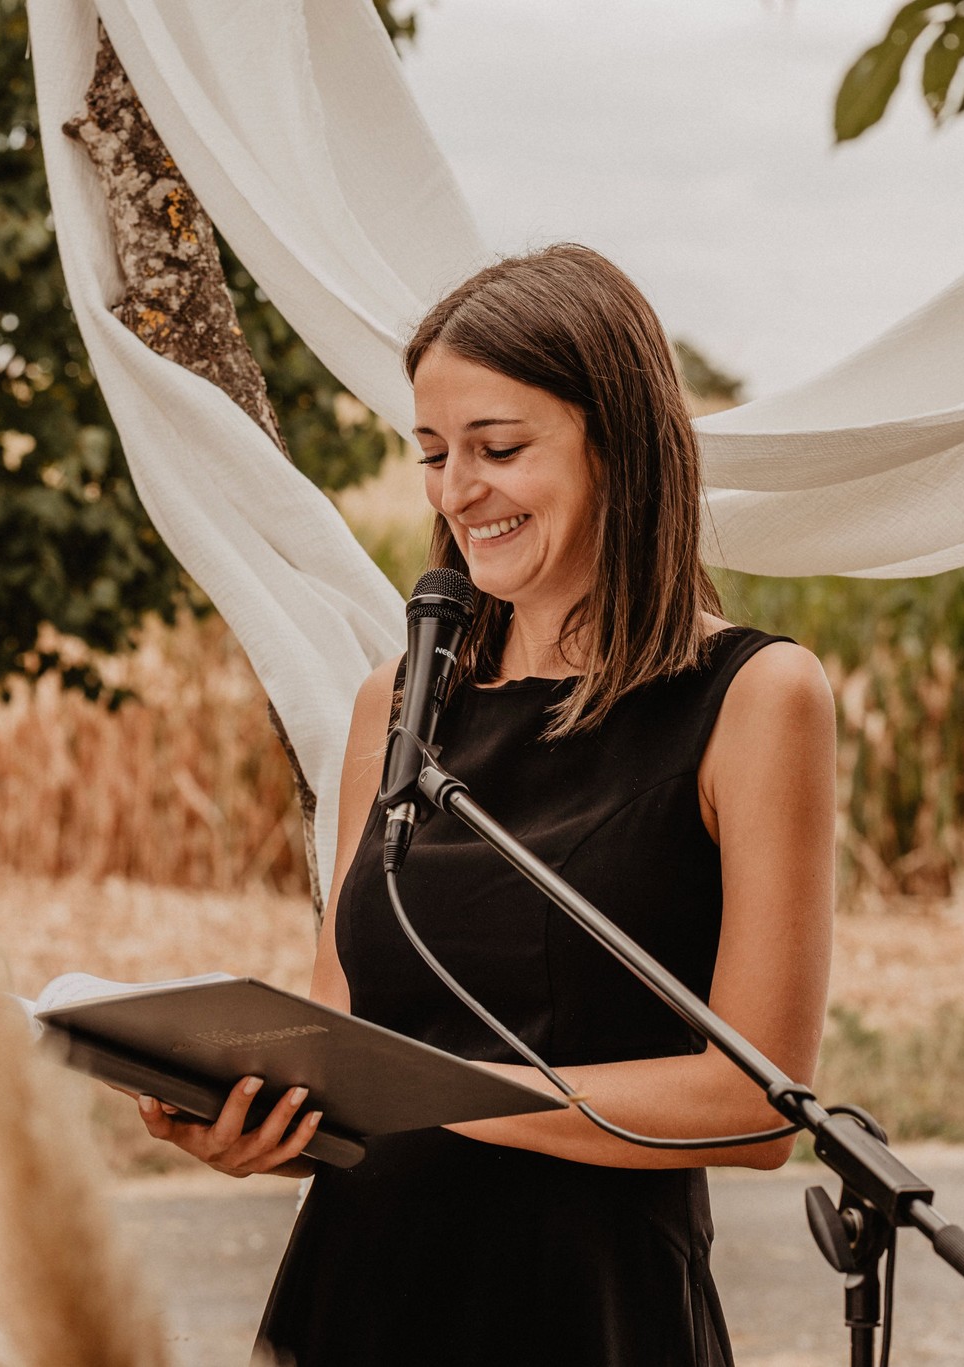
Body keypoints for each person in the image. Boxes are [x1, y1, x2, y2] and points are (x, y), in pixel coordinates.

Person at [132, 244, 835, 1366]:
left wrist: (443, 1093)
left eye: (498, 448)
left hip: (591, 1314)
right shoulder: (395, 701)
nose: (456, 490)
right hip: (358, 1301)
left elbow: (756, 1105)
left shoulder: (754, 697)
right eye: (432, 452)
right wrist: (252, 1125)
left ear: (619, 446)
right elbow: (345, 1049)